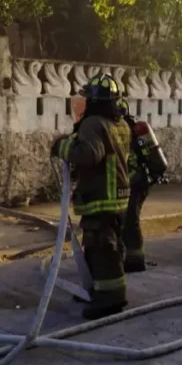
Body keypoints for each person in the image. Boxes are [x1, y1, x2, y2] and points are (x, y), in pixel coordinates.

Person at [52, 74, 132, 319]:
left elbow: (88, 154)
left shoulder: (93, 123)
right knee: (103, 247)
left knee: (102, 248)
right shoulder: (120, 124)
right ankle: (97, 289)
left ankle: (111, 299)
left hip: (101, 198)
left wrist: (61, 147)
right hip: (118, 196)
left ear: (95, 101)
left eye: (87, 98)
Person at [118, 99, 152, 273]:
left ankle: (136, 261)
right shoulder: (129, 129)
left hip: (135, 182)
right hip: (139, 181)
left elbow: (129, 163)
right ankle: (129, 257)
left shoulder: (125, 133)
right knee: (127, 220)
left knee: (130, 220)